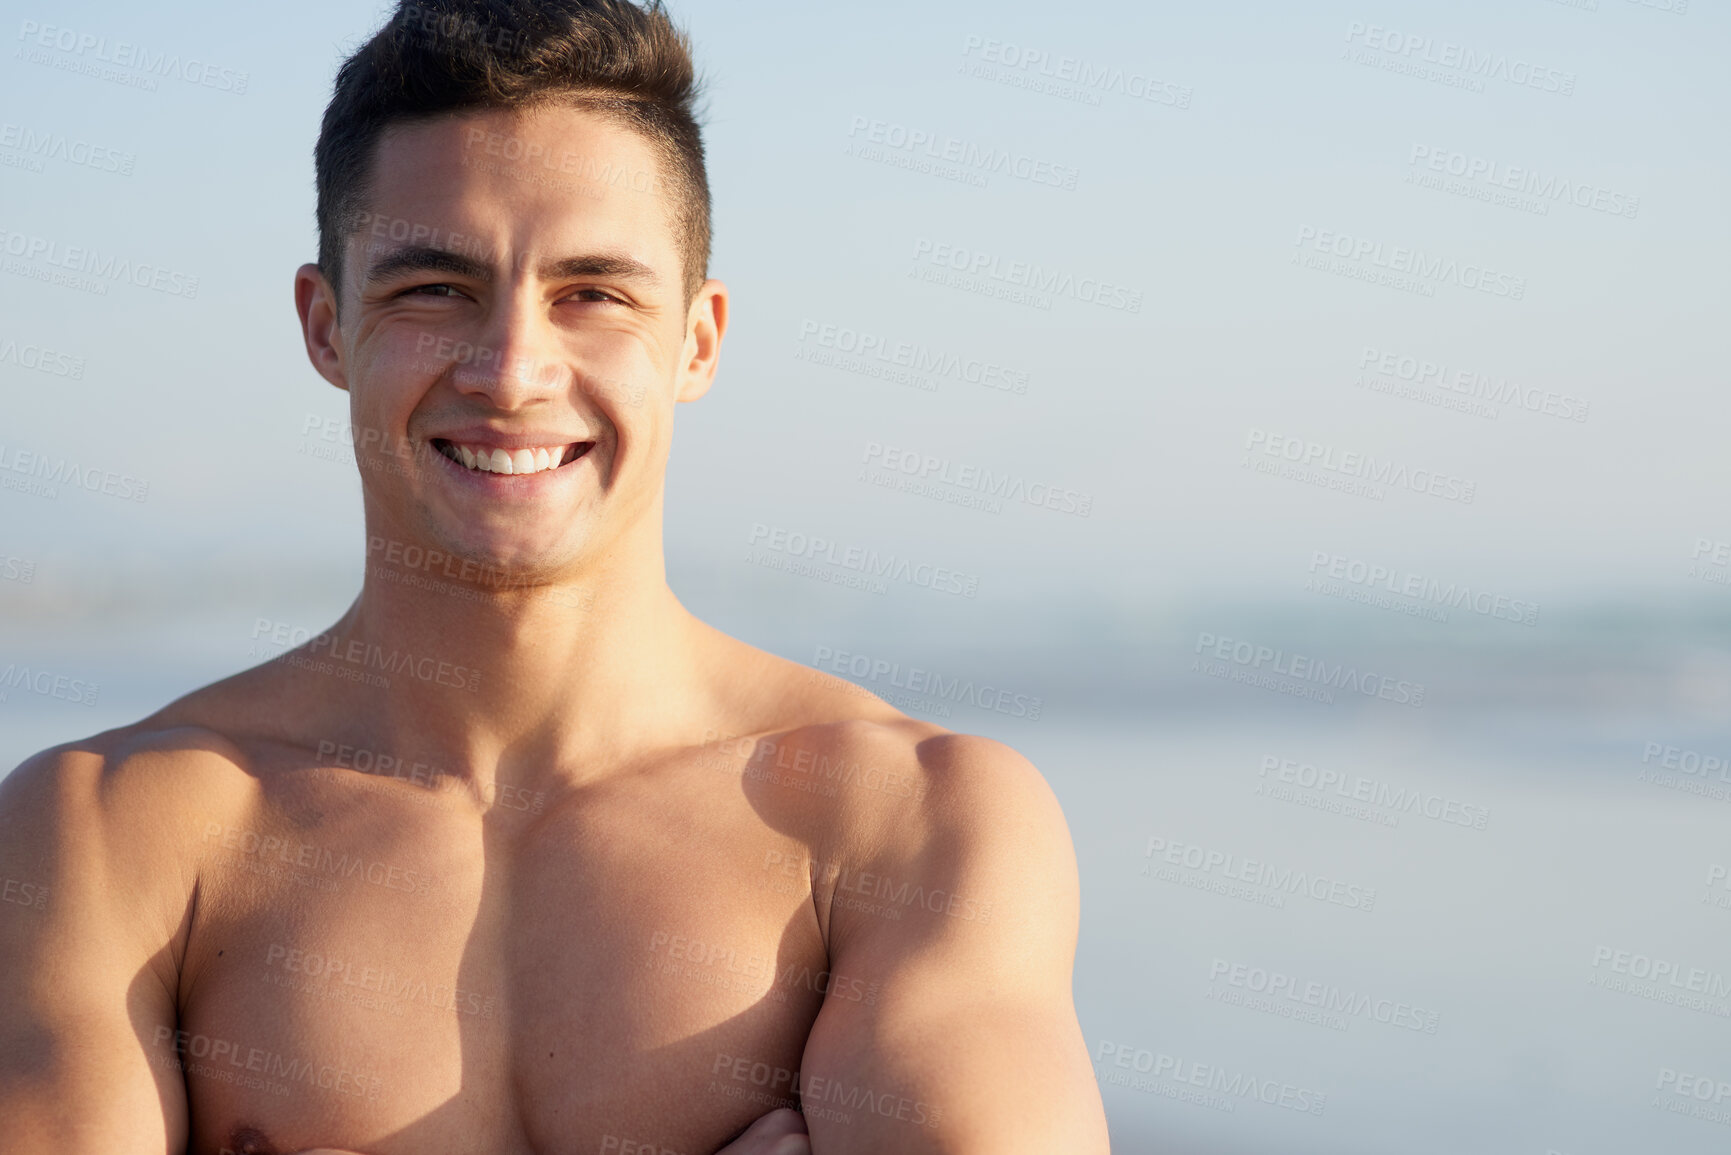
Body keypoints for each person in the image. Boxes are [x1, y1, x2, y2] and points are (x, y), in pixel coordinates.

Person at [0, 2, 1109, 1151]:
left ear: (697, 341)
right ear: (326, 327)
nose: (514, 369)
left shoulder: (906, 824)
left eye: (594, 293)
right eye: (434, 289)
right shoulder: (105, 835)